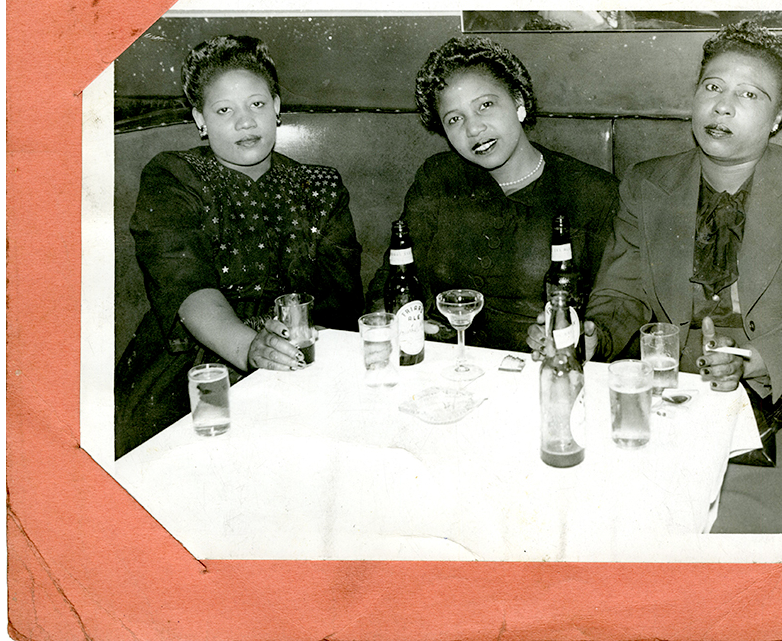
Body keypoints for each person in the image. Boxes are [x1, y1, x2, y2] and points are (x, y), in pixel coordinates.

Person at [585, 19, 782, 534]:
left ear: (779, 116)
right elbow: (621, 291)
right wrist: (594, 334)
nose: (723, 106)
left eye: (750, 94)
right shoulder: (647, 181)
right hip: (676, 392)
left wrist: (755, 360)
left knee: (726, 526)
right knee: (624, 512)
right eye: (713, 87)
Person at [115, 35, 363, 457]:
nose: (245, 122)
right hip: (193, 363)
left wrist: (297, 349)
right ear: (201, 119)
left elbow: (340, 301)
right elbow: (183, 281)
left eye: (257, 105)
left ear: (277, 107)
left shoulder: (320, 187)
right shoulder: (173, 176)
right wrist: (248, 349)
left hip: (296, 356)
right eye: (224, 110)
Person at [367, 35, 619, 352]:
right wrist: (388, 317)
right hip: (444, 365)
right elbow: (393, 276)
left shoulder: (592, 191)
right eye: (454, 119)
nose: (473, 129)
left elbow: (611, 307)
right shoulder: (438, 178)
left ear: (518, 102)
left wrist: (584, 337)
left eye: (485, 105)